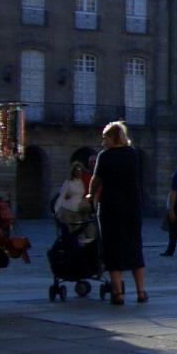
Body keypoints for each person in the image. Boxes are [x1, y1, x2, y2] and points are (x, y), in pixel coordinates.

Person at [86, 121, 146, 305]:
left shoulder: (105, 156)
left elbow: (96, 180)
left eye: (105, 137)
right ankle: (141, 292)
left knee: (113, 249)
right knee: (135, 247)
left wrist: (90, 196)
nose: (103, 141)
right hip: (132, 206)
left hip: (111, 206)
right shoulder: (133, 154)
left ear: (113, 138)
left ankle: (118, 294)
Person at [54, 162, 91, 232]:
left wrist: (87, 198)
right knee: (69, 232)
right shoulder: (68, 182)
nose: (78, 172)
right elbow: (61, 197)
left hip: (78, 211)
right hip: (67, 210)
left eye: (80, 170)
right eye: (76, 170)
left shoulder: (82, 182)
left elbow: (88, 194)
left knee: (77, 231)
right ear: (73, 171)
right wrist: (56, 211)